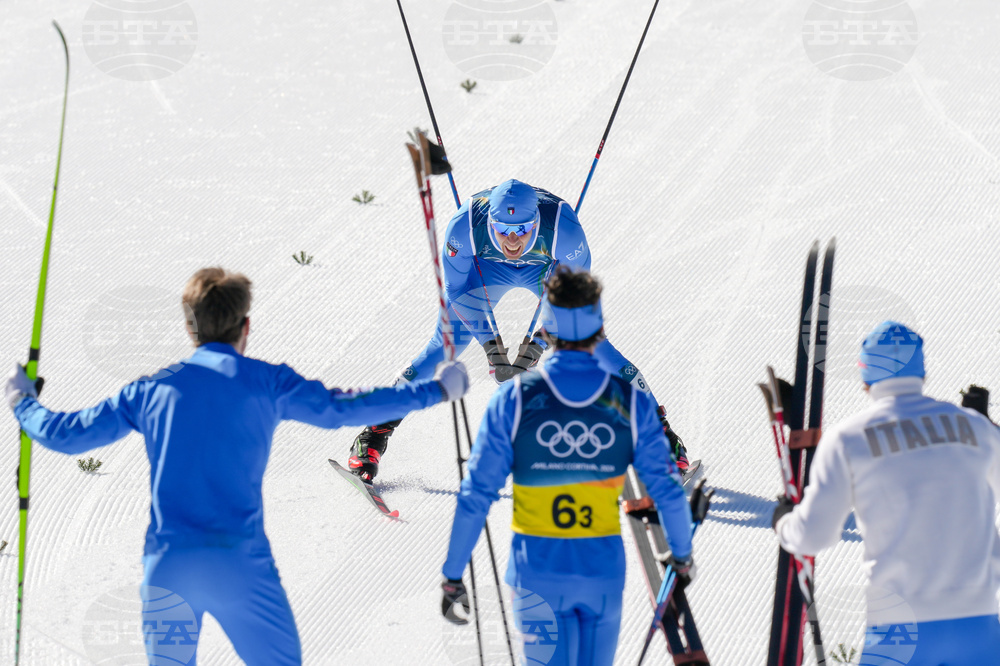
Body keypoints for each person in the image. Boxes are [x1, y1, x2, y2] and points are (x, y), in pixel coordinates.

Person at [4, 267, 469, 666]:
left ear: (191, 328)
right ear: (246, 326)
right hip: (240, 565)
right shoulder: (266, 382)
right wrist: (434, 390)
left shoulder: (150, 391)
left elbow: (64, 434)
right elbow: (345, 408)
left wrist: (22, 401)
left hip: (168, 569)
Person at [348, 179, 689, 482]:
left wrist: (537, 346)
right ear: (491, 222)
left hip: (545, 269)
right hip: (486, 269)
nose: (513, 240)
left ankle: (662, 436)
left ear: (536, 222)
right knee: (444, 346)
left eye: (523, 229)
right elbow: (457, 293)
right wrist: (491, 347)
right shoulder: (463, 228)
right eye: (503, 230)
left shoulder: (565, 232)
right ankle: (374, 434)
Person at [439, 266, 693, 666]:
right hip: (601, 575)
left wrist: (453, 574)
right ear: (598, 326)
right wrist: (682, 554)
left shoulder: (515, 400)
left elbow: (475, 495)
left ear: (547, 329)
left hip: (536, 574)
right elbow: (665, 488)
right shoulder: (629, 402)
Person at [772, 321, 1000, 665]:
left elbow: (813, 536)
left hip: (901, 629)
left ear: (865, 378)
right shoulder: (975, 427)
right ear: (921, 372)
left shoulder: (848, 438)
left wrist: (784, 521)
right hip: (979, 622)